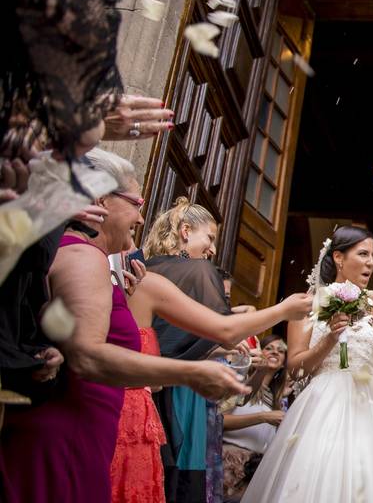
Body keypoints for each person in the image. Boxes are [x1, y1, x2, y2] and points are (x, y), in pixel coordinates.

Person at [0, 149, 246, 503]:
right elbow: (88, 356)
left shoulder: (82, 259)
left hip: (84, 428)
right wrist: (190, 372)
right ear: (101, 199)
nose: (142, 217)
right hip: (67, 432)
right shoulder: (84, 256)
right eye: (136, 202)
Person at [110, 198, 311, 503]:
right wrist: (284, 309)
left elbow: (169, 342)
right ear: (186, 231)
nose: (213, 251)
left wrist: (219, 346)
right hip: (177, 397)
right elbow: (225, 331)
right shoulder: (197, 271)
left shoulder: (144, 270)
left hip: (142, 395)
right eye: (211, 238)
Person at [241, 226, 373, 502]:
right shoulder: (307, 305)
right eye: (363, 254)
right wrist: (329, 339)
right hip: (323, 404)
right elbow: (296, 368)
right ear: (339, 258)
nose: (371, 261)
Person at [221, 335, 289, 501]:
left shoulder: (276, 401)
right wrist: (263, 417)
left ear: (283, 364)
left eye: (281, 351)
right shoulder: (241, 381)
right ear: (258, 353)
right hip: (228, 464)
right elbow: (219, 421)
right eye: (269, 348)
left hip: (255, 470)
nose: (275, 352)